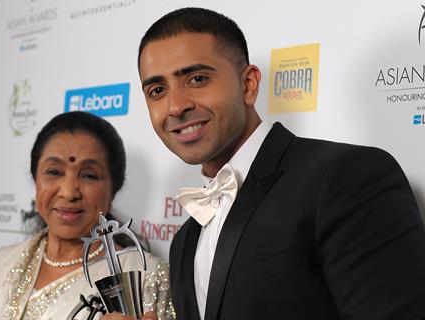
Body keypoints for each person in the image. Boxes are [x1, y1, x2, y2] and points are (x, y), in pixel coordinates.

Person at [136, 7, 425, 320]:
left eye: (197, 78)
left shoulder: (347, 176)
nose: (176, 105)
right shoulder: (185, 241)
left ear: (248, 84)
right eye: (157, 90)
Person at [0, 111, 175, 320]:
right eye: (54, 172)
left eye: (88, 175)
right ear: (36, 180)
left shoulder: (144, 276)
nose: (69, 192)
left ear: (113, 190)